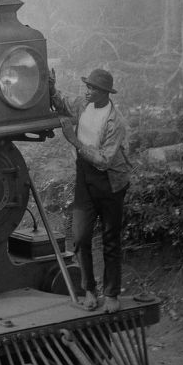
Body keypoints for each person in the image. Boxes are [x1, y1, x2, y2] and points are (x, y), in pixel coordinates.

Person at [60, 68, 132, 313]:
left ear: (105, 93)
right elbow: (61, 100)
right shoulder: (83, 104)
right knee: (80, 236)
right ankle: (89, 289)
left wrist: (74, 140)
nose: (87, 91)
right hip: (85, 177)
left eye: (93, 88)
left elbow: (104, 160)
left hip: (111, 182)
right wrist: (48, 86)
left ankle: (111, 293)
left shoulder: (115, 121)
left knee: (111, 239)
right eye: (87, 86)